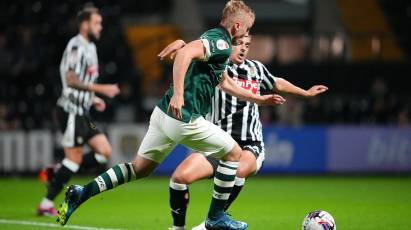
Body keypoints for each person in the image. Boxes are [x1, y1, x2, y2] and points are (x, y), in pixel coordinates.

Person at [57, 1, 286, 229]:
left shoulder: (213, 37)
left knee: (139, 168)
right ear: (237, 26)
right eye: (246, 30)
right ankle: (216, 217)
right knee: (234, 154)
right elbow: (185, 54)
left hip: (162, 114)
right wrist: (178, 92)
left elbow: (224, 82)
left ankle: (81, 193)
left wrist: (258, 99)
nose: (246, 34)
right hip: (184, 117)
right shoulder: (222, 44)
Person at [158, 35, 328, 230]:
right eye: (238, 44)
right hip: (217, 142)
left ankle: (213, 220)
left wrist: (305, 93)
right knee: (179, 178)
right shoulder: (212, 65)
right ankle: (178, 228)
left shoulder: (255, 69)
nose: (243, 49)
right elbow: (189, 53)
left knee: (238, 170)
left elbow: (277, 82)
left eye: (247, 45)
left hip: (249, 144)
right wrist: (182, 44)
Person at [37, 5, 120, 216]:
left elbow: (84, 80)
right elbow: (71, 80)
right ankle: (46, 203)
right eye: (96, 23)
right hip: (70, 111)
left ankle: (58, 169)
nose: (100, 27)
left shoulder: (91, 47)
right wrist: (102, 89)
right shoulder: (76, 47)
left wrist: (93, 98)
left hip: (83, 112)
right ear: (84, 24)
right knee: (74, 159)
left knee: (104, 152)